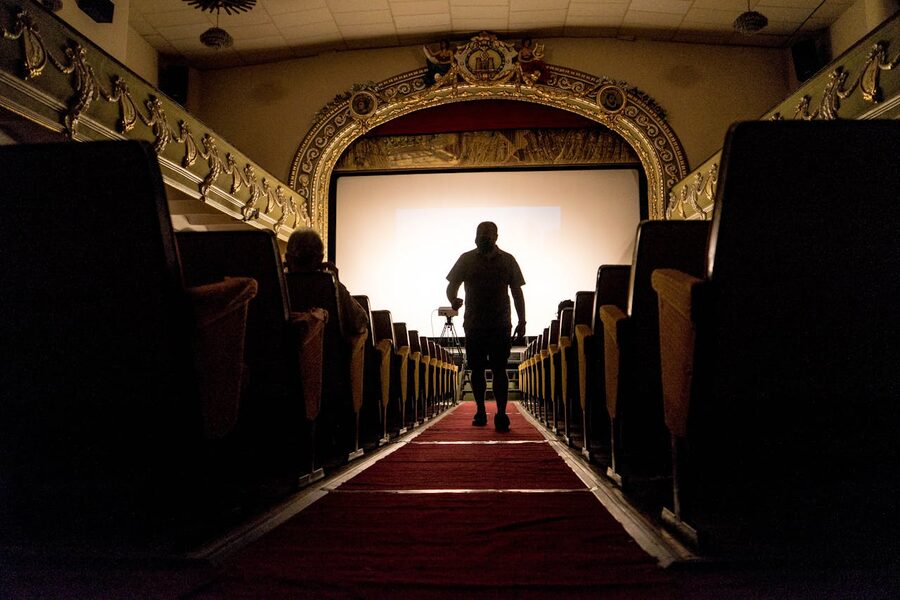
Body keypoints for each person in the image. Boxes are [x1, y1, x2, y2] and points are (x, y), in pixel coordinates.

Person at [446, 222, 526, 432]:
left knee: (499, 369)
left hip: (500, 324)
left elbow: (517, 292)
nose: (483, 237)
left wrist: (522, 320)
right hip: (474, 324)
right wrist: (453, 299)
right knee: (477, 369)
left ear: (496, 236)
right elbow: (451, 285)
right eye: (480, 233)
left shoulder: (508, 260)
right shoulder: (466, 259)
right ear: (475, 236)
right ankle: (480, 410)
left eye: (487, 234)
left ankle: (501, 412)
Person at [284, 227, 368, 337]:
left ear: (288, 258)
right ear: (320, 259)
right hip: (328, 353)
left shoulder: (276, 287)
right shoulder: (329, 285)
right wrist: (337, 284)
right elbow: (360, 323)